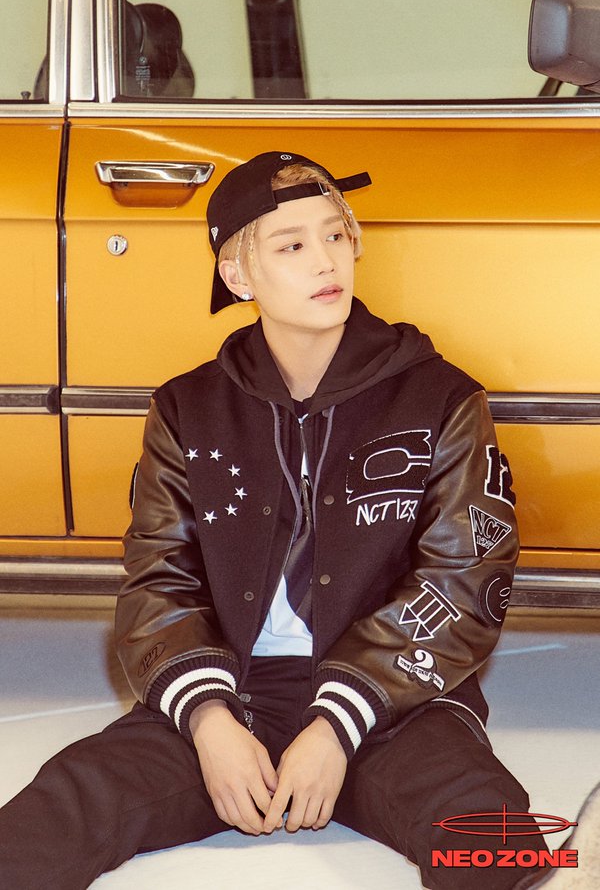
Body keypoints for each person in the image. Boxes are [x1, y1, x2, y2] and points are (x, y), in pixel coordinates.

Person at [0, 151, 595, 889]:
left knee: (489, 838)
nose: (325, 260)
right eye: (291, 245)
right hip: (233, 693)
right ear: (237, 275)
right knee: (54, 814)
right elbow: (158, 581)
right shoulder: (188, 409)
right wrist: (208, 721)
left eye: (336, 235)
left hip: (394, 701)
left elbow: (464, 582)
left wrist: (338, 723)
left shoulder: (442, 399)